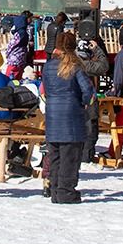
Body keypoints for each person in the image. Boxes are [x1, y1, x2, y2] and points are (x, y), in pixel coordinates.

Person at [43, 31, 95, 204]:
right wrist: (83, 102)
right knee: (70, 157)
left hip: (52, 114)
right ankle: (66, 191)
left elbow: (46, 89)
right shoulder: (75, 66)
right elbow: (87, 90)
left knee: (56, 155)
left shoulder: (48, 66)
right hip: (72, 115)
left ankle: (55, 189)